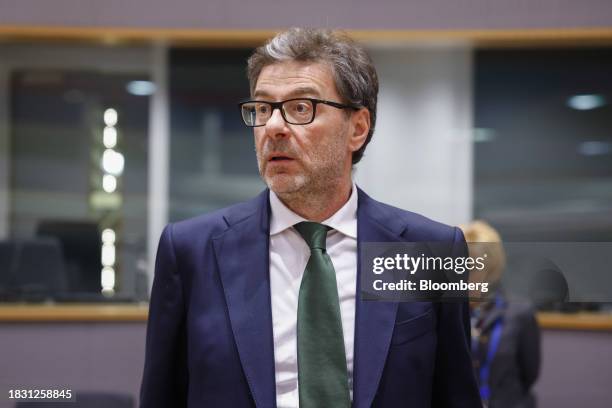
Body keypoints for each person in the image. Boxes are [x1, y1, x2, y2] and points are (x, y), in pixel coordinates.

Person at [140, 28, 481, 408]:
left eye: (301, 108)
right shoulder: (190, 251)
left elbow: (455, 395)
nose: (273, 127)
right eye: (263, 108)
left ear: (358, 128)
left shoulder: (428, 250)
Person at [461, 221, 541, 408]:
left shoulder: (520, 313)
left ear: (490, 269)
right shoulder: (445, 312)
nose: (463, 275)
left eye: (471, 267)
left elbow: (529, 375)